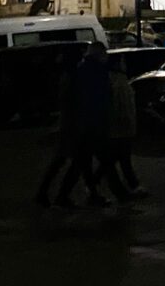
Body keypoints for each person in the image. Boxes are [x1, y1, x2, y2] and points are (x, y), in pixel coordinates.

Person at [34, 47, 108, 208]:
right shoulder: (75, 78)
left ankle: (52, 194)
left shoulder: (68, 77)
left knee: (72, 162)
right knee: (80, 162)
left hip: (71, 126)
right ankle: (64, 195)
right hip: (75, 127)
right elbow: (79, 103)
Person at [96, 52, 146, 202]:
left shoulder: (113, 80)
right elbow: (121, 106)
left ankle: (96, 181)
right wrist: (125, 121)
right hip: (121, 128)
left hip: (117, 128)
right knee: (121, 158)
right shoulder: (119, 81)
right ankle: (132, 185)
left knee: (116, 158)